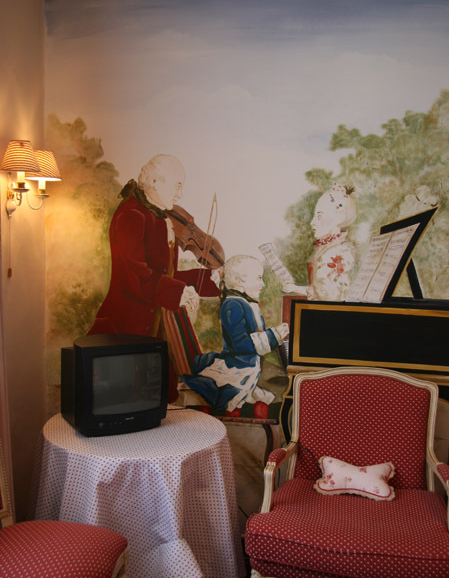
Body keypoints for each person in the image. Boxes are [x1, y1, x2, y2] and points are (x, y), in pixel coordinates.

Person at [88, 154, 221, 401]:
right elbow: (137, 277)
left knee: (159, 399)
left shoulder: (159, 216)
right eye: (177, 186)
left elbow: (166, 275)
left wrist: (210, 278)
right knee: (129, 398)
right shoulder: (131, 215)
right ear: (155, 182)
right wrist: (178, 292)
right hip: (128, 326)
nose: (180, 194)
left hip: (154, 327)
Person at [182, 255, 289, 418]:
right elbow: (240, 344)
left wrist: (276, 334)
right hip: (238, 366)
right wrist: (273, 336)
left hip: (250, 364)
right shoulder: (233, 305)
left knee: (276, 382)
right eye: (258, 278)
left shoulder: (248, 303)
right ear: (240, 282)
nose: (263, 284)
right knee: (276, 383)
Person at [308, 184, 357, 301]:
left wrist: (297, 288)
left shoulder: (339, 251)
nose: (312, 222)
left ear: (337, 219)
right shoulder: (326, 247)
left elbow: (329, 296)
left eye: (319, 216)